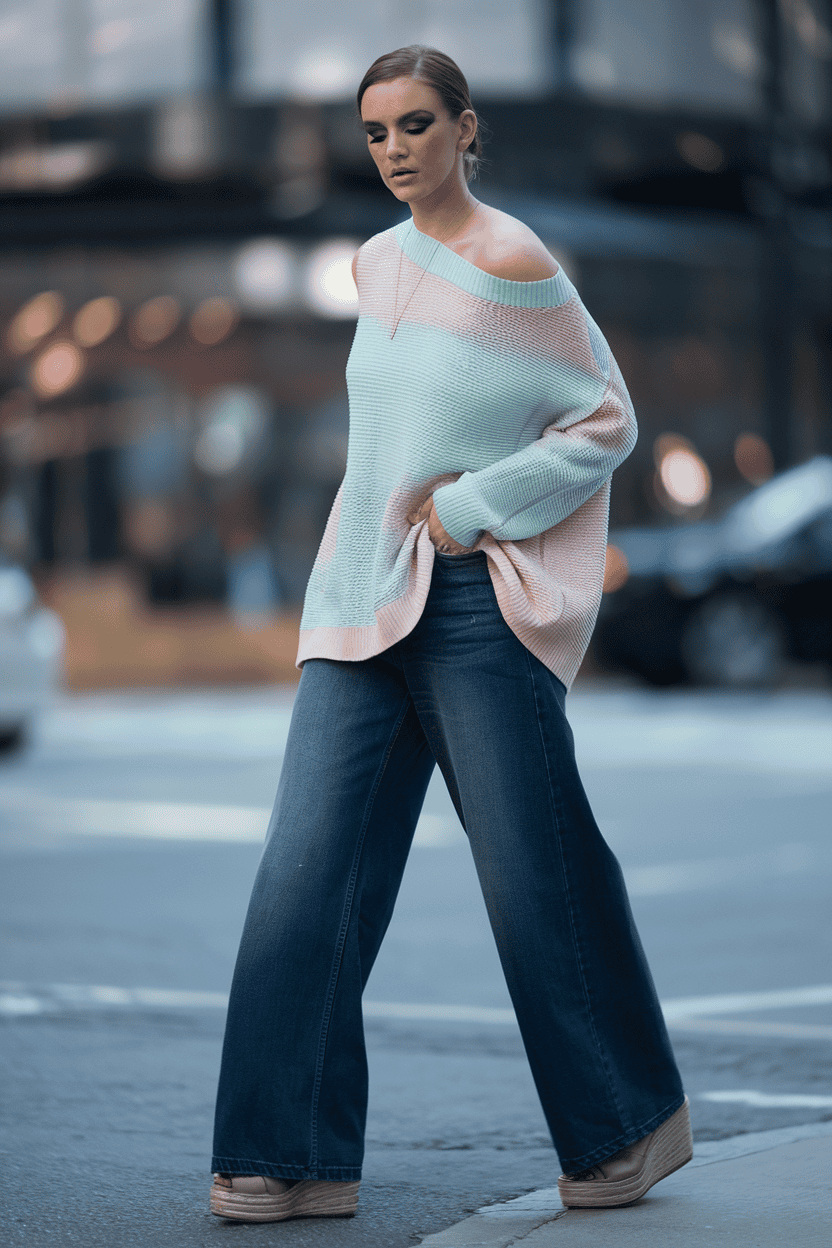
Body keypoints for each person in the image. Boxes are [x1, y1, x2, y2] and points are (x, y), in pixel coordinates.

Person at [210, 45, 692, 1225]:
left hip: (477, 601)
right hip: (362, 596)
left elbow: (606, 417)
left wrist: (475, 509)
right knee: (303, 876)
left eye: (417, 124)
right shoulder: (374, 265)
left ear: (466, 128)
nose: (394, 150)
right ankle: (291, 1150)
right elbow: (378, 451)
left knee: (534, 874)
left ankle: (625, 1126)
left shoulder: (515, 260)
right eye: (375, 132)